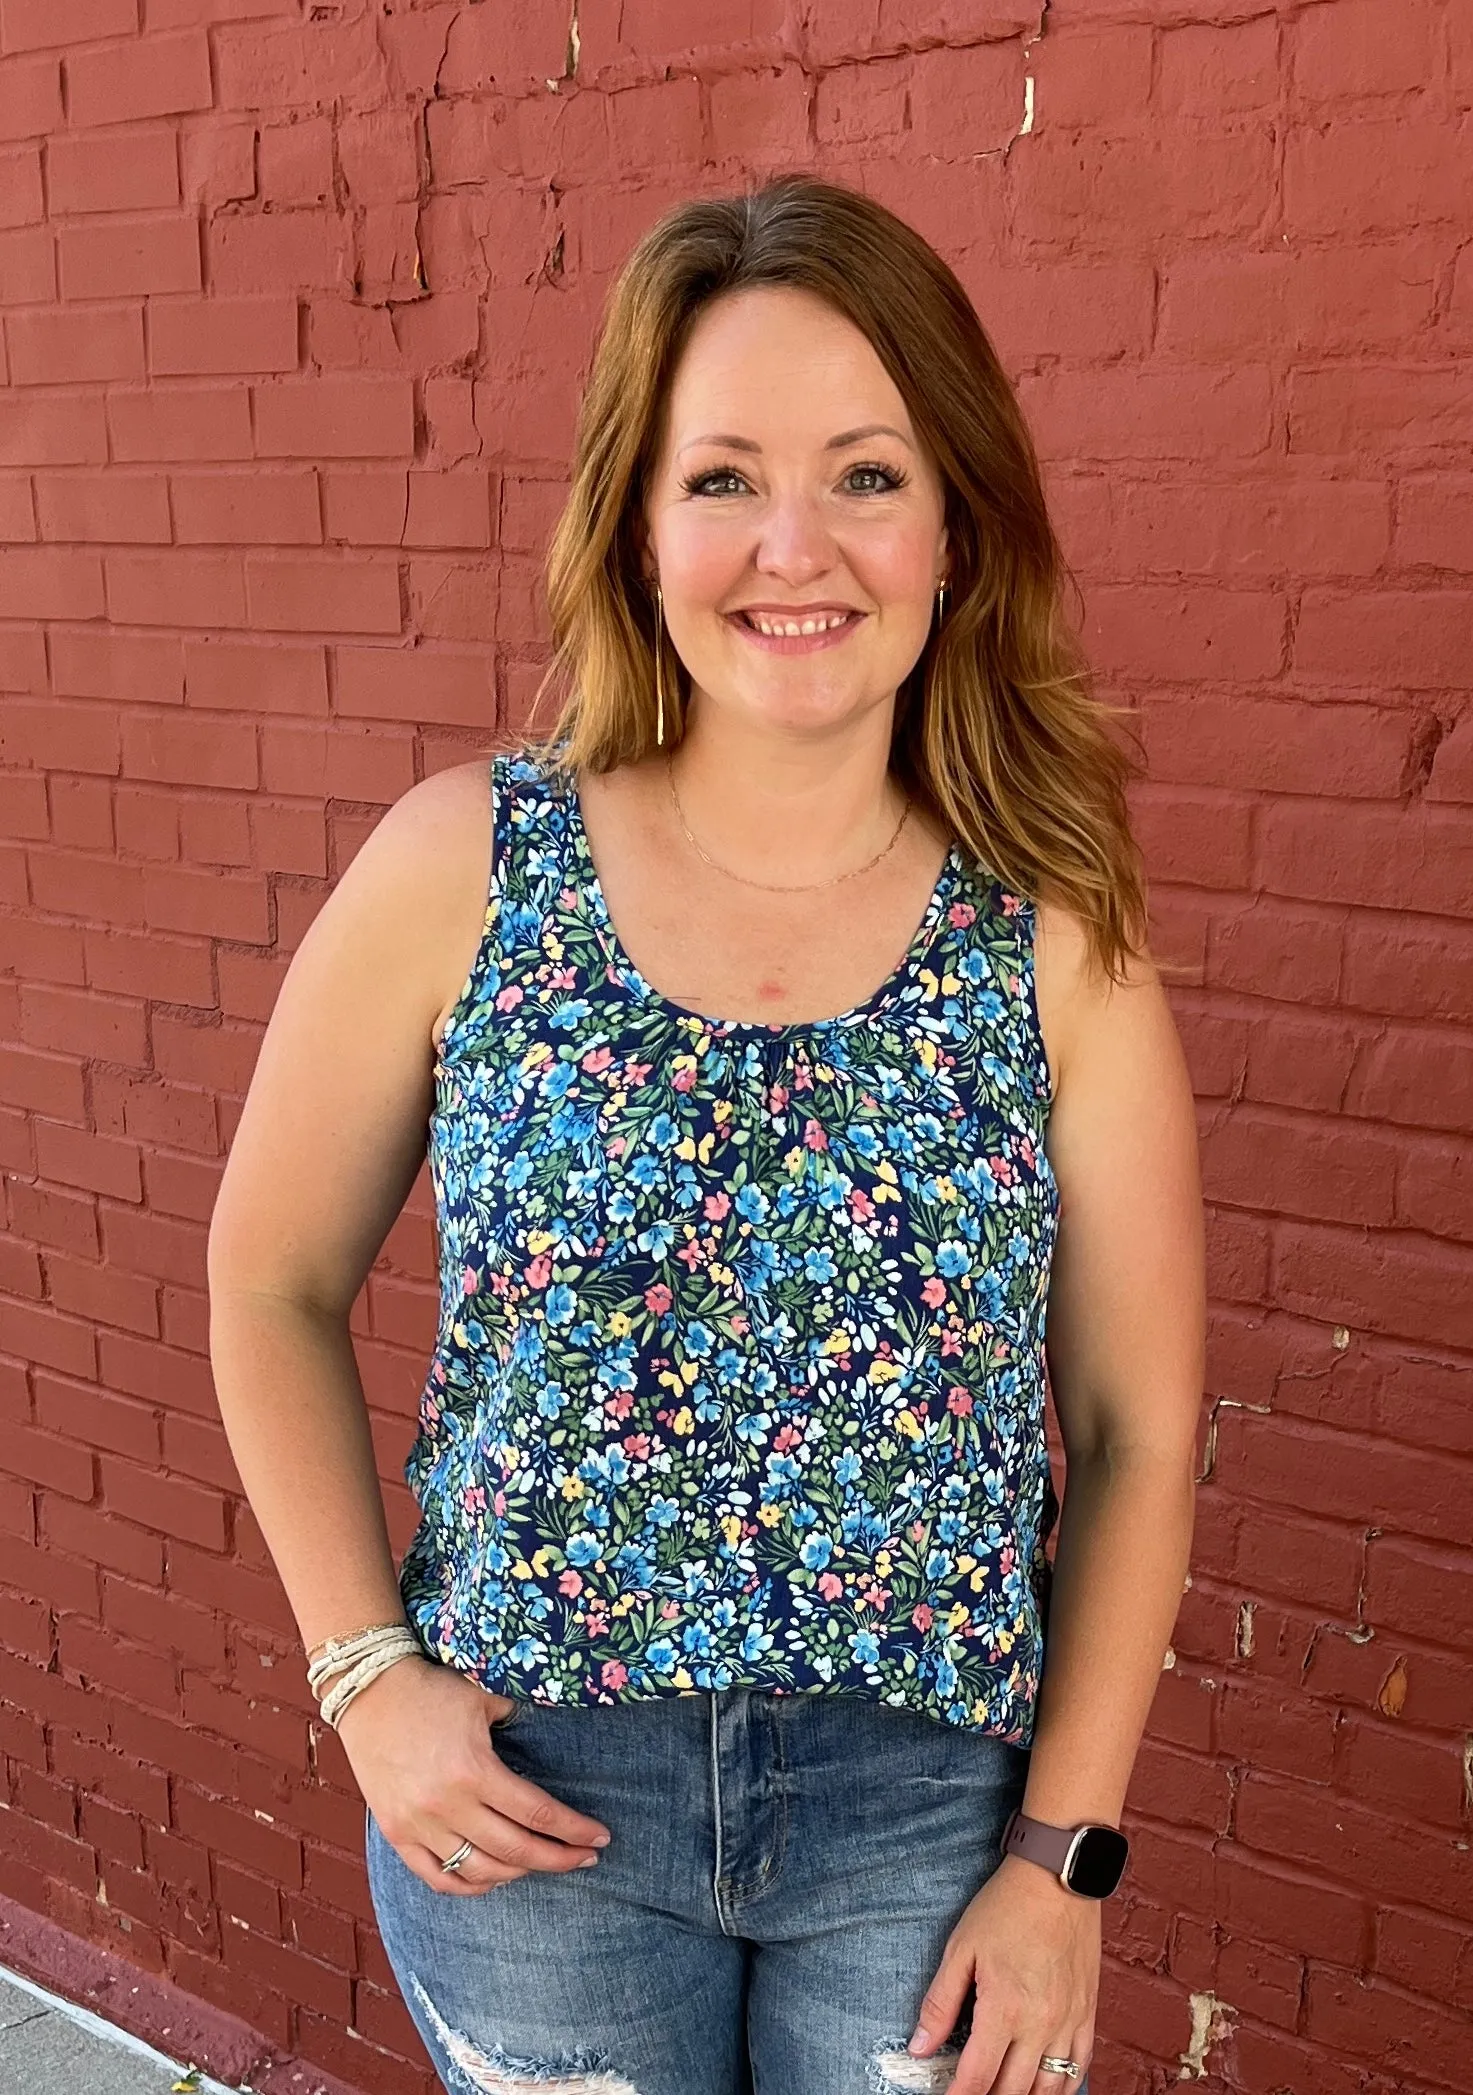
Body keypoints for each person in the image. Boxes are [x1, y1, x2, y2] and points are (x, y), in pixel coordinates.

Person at [207, 173, 1206, 2095]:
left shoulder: (1054, 934)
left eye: (865, 473)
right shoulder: (465, 872)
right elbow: (267, 1282)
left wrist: (1062, 1858)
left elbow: (1137, 1428)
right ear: (638, 518)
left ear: (954, 525)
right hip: (532, 1808)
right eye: (723, 475)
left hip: (924, 1831)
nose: (792, 546)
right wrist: (364, 1683)